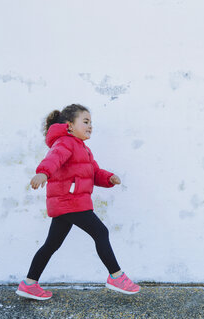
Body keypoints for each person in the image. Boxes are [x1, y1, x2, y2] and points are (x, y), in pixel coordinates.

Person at [16, 104, 140, 301]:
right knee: (100, 232)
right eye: (85, 121)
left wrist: (108, 178)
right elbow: (53, 159)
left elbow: (93, 173)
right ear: (70, 125)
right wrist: (42, 173)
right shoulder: (65, 143)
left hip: (67, 203)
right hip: (70, 201)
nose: (90, 126)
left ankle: (29, 284)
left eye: (91, 122)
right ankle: (116, 276)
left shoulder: (84, 149)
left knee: (51, 244)